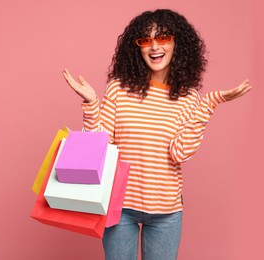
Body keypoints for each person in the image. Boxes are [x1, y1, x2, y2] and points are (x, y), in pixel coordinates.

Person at [62, 9, 252, 260]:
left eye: (162, 38)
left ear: (177, 43)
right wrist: (91, 104)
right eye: (145, 40)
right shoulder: (119, 88)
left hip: (167, 212)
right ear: (137, 48)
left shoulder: (188, 97)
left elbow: (179, 153)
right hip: (121, 206)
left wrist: (209, 103)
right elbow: (101, 145)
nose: (154, 46)